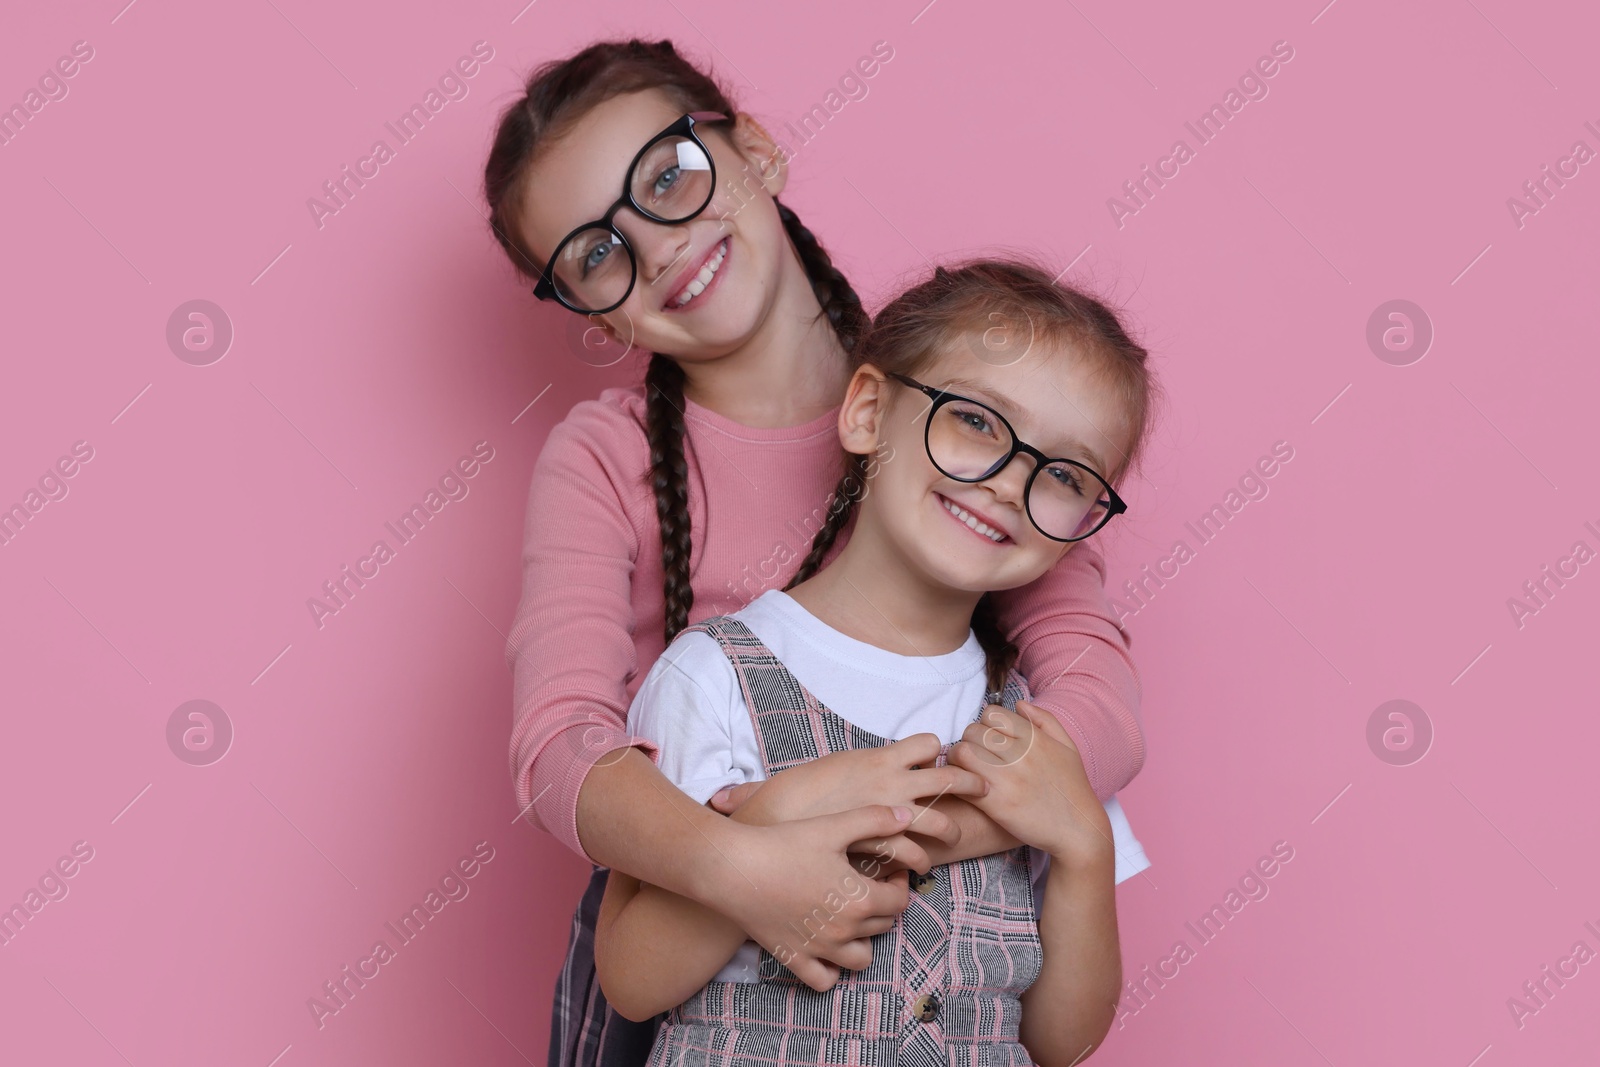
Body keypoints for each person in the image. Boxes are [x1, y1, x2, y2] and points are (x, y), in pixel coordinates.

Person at [481, 39, 1150, 1067]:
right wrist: (743, 862)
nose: (654, 247)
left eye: (669, 176)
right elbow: (558, 741)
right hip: (688, 908)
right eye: (594, 254)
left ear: (752, 149)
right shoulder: (606, 456)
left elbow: (1095, 689)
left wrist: (905, 833)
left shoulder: (965, 412)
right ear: (590, 310)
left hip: (955, 917)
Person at [597, 258, 1157, 1065]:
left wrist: (1083, 848)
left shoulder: (1036, 730)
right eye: (977, 421)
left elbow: (1061, 1040)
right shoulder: (712, 674)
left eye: (1065, 472)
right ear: (866, 411)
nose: (1009, 482)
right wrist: (770, 817)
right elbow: (632, 979)